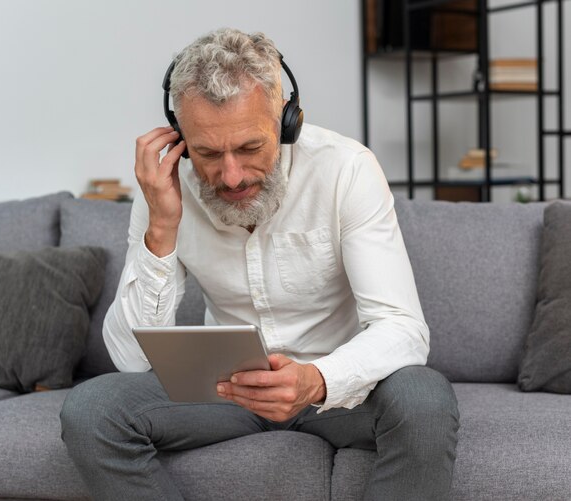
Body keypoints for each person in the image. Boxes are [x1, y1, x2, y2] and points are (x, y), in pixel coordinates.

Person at [60, 28, 459, 500]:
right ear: (180, 136)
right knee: (90, 411)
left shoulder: (345, 169)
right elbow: (131, 359)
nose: (230, 176)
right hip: (226, 392)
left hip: (340, 391)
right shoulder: (166, 190)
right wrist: (162, 230)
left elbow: (404, 328)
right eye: (208, 153)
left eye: (250, 148)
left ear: (286, 119)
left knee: (425, 398)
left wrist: (316, 380)